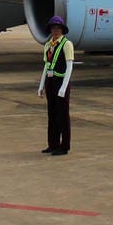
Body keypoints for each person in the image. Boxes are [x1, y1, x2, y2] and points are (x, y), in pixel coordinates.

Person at [36, 15, 75, 156]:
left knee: (62, 115)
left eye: (58, 28)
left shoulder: (66, 44)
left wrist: (64, 87)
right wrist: (41, 85)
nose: (56, 30)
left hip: (61, 81)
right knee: (52, 114)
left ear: (62, 29)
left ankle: (64, 146)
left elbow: (69, 66)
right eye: (53, 28)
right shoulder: (48, 45)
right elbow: (46, 66)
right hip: (50, 82)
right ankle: (53, 144)